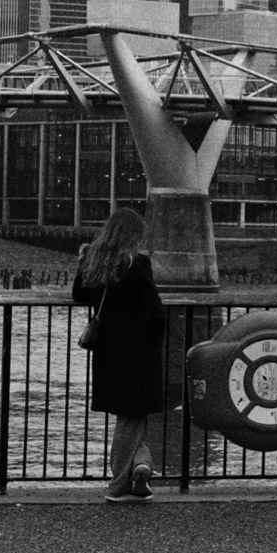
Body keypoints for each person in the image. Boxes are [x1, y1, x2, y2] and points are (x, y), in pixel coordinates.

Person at [72, 207, 167, 503]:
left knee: (132, 415)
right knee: (131, 416)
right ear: (132, 235)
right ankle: (118, 483)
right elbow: (154, 309)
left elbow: (79, 295)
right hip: (137, 350)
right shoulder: (137, 264)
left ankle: (142, 471)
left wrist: (81, 261)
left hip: (107, 350)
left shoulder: (93, 259)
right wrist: (158, 337)